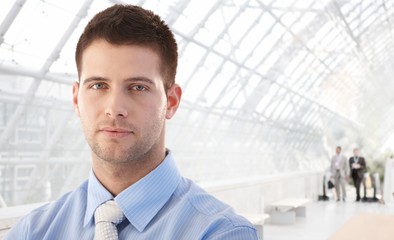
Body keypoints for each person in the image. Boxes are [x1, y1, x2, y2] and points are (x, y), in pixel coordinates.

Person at [5, 4, 258, 240]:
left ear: (171, 101)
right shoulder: (33, 231)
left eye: (138, 87)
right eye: (98, 85)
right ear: (76, 99)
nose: (114, 109)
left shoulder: (222, 232)